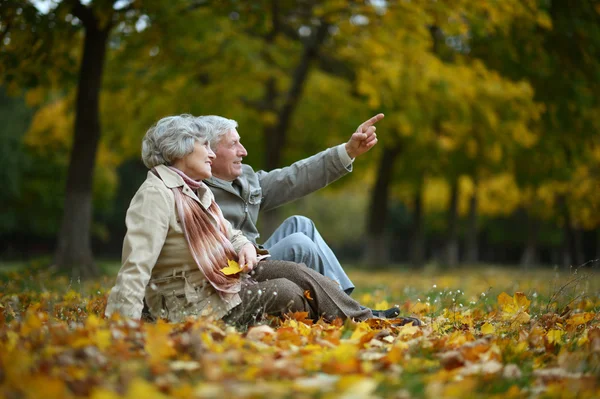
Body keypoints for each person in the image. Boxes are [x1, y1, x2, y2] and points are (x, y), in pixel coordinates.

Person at [104, 114, 375, 325]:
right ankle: (340, 314)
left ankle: (355, 313)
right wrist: (123, 325)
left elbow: (230, 230)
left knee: (299, 251)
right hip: (197, 297)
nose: (241, 151)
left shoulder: (198, 188)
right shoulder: (159, 194)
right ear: (182, 151)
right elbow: (136, 265)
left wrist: (244, 245)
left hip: (229, 272)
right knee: (292, 274)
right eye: (207, 146)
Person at [201, 114, 403, 319]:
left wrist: (348, 151)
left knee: (301, 224)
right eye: (233, 144)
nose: (243, 151)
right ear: (210, 152)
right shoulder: (198, 191)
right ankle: (348, 313)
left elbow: (294, 178)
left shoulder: (246, 179)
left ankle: (346, 305)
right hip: (236, 272)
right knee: (299, 243)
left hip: (256, 260)